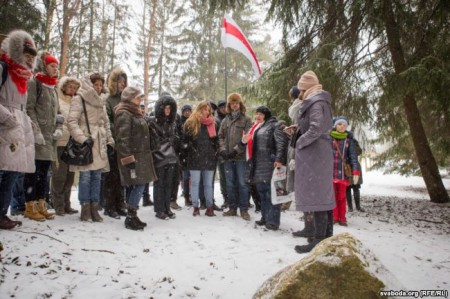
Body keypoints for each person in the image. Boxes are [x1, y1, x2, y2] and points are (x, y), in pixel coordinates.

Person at [293, 70, 335, 253]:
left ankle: (319, 239)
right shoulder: (319, 100)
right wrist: (297, 129)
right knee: (322, 196)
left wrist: (300, 142)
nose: (299, 93)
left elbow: (316, 128)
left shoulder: (316, 101)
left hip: (315, 153)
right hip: (318, 152)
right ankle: (325, 236)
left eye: (301, 89)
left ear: (306, 88)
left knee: (318, 196)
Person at [0, 30, 37, 229]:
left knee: (12, 173)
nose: (30, 60)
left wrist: (26, 122)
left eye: (32, 57)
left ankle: (2, 213)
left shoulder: (23, 79)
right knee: (4, 173)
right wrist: (8, 117)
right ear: (16, 52)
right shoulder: (3, 68)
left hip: (16, 130)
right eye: (27, 55)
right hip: (4, 127)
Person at [67, 74, 114, 222]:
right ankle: (85, 208)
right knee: (86, 177)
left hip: (99, 143)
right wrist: (82, 139)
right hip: (87, 142)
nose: (98, 87)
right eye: (96, 84)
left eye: (101, 85)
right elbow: (72, 122)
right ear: (89, 84)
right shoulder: (79, 98)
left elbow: (105, 124)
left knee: (97, 176)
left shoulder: (102, 101)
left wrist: (110, 141)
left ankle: (95, 207)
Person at [24, 51, 61, 222]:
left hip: (50, 138)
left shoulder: (53, 87)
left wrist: (59, 127)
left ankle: (41, 203)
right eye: (52, 66)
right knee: (34, 171)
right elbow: (29, 108)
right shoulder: (35, 82)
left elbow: (58, 112)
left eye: (56, 66)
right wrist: (36, 131)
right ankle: (29, 205)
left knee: (44, 172)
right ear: (44, 66)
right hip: (38, 136)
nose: (55, 69)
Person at [114, 86, 157, 230]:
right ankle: (131, 216)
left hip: (141, 156)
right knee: (139, 184)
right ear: (129, 98)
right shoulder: (124, 113)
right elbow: (122, 138)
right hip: (134, 156)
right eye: (138, 97)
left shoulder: (135, 112)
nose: (140, 100)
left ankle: (132, 215)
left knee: (137, 184)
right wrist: (128, 159)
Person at [241, 106, 288, 230]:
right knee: (262, 193)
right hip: (258, 164)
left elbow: (281, 143)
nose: (257, 116)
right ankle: (265, 217)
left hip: (270, 164)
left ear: (266, 115)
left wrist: (279, 159)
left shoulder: (274, 125)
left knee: (272, 193)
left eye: (260, 114)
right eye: (256, 114)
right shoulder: (257, 127)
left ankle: (273, 221)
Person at [218, 93, 252, 221]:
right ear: (229, 105)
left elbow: (247, 137)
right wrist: (223, 150)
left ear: (240, 104)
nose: (234, 105)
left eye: (236, 103)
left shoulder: (246, 119)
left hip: (241, 158)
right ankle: (232, 208)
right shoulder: (225, 120)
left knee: (242, 184)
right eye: (232, 103)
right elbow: (220, 136)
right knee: (230, 184)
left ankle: (244, 209)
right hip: (227, 158)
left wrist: (236, 150)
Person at [183, 100, 219, 217]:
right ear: (199, 109)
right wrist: (191, 151)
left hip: (209, 157)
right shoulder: (191, 123)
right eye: (203, 109)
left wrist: (215, 153)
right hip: (195, 158)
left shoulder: (213, 123)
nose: (206, 111)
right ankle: (195, 207)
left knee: (208, 184)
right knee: (195, 183)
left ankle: (209, 207)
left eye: (208, 109)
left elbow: (216, 142)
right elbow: (185, 141)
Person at [51, 76, 80, 216]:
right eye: (70, 87)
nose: (72, 90)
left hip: (72, 144)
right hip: (60, 142)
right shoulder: (57, 100)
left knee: (70, 176)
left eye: (75, 88)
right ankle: (58, 205)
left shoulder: (76, 102)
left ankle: (67, 204)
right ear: (64, 87)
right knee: (59, 175)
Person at [149, 94, 179, 220]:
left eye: (169, 108)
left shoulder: (171, 122)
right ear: (160, 108)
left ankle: (167, 208)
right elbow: (153, 141)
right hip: (159, 157)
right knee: (159, 183)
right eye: (165, 108)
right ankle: (159, 209)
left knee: (168, 184)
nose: (167, 111)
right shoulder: (152, 122)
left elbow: (172, 138)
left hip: (170, 157)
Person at [103, 67, 128, 219]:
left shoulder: (126, 100)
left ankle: (120, 204)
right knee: (111, 176)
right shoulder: (109, 99)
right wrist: (117, 129)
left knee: (122, 176)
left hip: (124, 143)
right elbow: (106, 120)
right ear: (114, 82)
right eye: (120, 81)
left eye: (124, 82)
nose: (122, 84)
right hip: (112, 141)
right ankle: (109, 206)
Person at [330, 116, 360, 226]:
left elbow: (353, 156)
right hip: (330, 172)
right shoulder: (329, 138)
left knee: (342, 196)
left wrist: (355, 171)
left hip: (343, 173)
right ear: (335, 126)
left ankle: (342, 217)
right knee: (332, 196)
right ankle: (335, 216)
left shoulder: (349, 140)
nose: (342, 126)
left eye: (344, 125)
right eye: (339, 124)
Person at [215, 99, 228, 209]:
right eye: (222, 107)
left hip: (233, 152)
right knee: (223, 177)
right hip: (221, 153)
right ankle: (226, 198)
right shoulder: (216, 120)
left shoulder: (230, 118)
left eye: (225, 106)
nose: (224, 109)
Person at [346, 137, 365, 212]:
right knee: (347, 188)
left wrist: (355, 144)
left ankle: (358, 206)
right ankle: (350, 207)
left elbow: (359, 151)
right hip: (346, 167)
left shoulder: (354, 141)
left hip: (355, 166)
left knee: (356, 187)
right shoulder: (343, 141)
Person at [179, 104, 193, 207]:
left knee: (193, 177)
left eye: (189, 110)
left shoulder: (194, 122)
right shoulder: (179, 122)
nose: (187, 112)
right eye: (185, 111)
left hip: (193, 154)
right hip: (183, 154)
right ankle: (187, 197)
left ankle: (192, 195)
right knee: (186, 177)